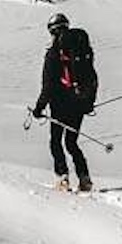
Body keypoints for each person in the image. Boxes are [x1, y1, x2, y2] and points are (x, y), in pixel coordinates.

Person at [30, 12, 99, 192]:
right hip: (80, 102)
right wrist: (88, 102)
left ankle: (63, 178)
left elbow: (48, 85)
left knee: (55, 141)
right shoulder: (83, 49)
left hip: (59, 105)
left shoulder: (53, 54)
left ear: (52, 32)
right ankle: (85, 179)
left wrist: (38, 108)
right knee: (72, 142)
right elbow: (92, 77)